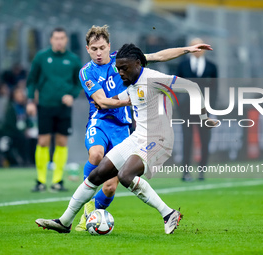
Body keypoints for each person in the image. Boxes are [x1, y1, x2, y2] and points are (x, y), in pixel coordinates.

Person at [35, 43, 218, 234]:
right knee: (97, 174)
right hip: (138, 137)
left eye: (124, 68)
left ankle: (168, 213)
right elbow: (121, 96)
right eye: (118, 69)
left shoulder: (154, 78)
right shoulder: (130, 82)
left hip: (159, 138)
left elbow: (192, 87)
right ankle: (64, 222)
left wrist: (205, 117)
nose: (120, 73)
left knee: (125, 176)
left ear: (138, 64)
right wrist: (107, 103)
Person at [74, 25, 213, 231]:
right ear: (87, 49)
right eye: (94, 49)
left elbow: (158, 56)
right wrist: (131, 99)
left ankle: (94, 211)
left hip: (124, 125)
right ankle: (85, 208)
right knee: (96, 155)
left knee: (111, 186)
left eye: (102, 48)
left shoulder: (120, 60)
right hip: (101, 120)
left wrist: (187, 49)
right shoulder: (87, 72)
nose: (98, 53)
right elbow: (102, 102)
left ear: (108, 46)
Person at [26, 27, 82, 192]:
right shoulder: (42, 57)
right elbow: (32, 80)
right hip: (45, 104)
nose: (59, 41)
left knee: (62, 142)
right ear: (51, 40)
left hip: (64, 107)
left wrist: (72, 95)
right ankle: (40, 181)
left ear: (66, 40)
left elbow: (80, 82)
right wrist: (30, 101)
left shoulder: (73, 59)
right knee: (43, 141)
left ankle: (57, 181)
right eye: (56, 38)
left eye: (62, 38)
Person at [177, 38, 218, 181]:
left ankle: (202, 171)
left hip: (204, 110)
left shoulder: (212, 67)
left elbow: (214, 89)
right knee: (186, 140)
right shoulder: (183, 65)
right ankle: (186, 172)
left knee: (205, 140)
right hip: (186, 110)